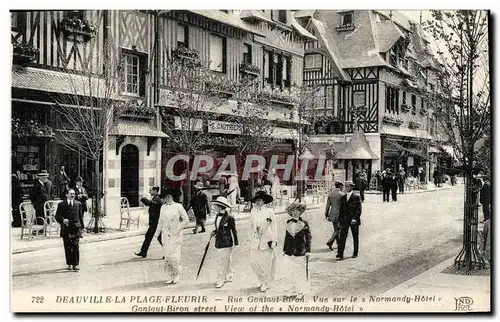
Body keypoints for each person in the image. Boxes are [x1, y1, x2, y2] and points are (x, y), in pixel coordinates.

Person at [153, 188, 189, 284]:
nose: (167, 198)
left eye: (169, 196)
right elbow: (160, 221)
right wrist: (157, 233)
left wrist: (178, 229)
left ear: (173, 197)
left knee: (174, 257)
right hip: (165, 235)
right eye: (165, 197)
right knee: (167, 257)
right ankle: (170, 275)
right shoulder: (163, 207)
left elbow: (186, 220)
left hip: (175, 235)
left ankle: (177, 274)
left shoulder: (178, 206)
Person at [249, 191, 278, 292]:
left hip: (267, 239)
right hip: (255, 240)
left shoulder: (269, 212)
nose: (258, 202)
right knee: (252, 262)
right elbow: (251, 226)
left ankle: (265, 282)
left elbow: (274, 226)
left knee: (266, 263)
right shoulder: (253, 211)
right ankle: (262, 279)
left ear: (264, 201)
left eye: (260, 200)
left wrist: (274, 240)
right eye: (256, 200)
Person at [282, 202, 311, 295]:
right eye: (293, 211)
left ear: (300, 211)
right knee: (290, 270)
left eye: (297, 211)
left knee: (300, 271)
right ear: (291, 212)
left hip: (300, 250)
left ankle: (301, 291)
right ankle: (292, 290)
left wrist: (308, 251)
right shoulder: (288, 222)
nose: (295, 213)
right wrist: (284, 250)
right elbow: (287, 237)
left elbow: (308, 237)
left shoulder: (304, 223)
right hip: (289, 251)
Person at [211, 196, 238, 288]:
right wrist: (214, 232)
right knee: (226, 259)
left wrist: (236, 243)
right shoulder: (217, 216)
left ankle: (220, 279)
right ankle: (229, 273)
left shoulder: (229, 218)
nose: (214, 208)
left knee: (221, 261)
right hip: (218, 242)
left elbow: (234, 230)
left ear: (220, 207)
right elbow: (218, 228)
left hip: (226, 243)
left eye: (216, 206)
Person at [55, 188, 85, 271]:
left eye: (73, 194)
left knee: (75, 246)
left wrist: (82, 227)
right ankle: (69, 264)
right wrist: (63, 220)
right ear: (66, 195)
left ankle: (75, 264)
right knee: (67, 246)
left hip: (76, 228)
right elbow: (57, 216)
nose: (72, 195)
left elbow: (80, 217)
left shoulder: (78, 204)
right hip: (66, 228)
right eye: (71, 193)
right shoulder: (61, 205)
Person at [135, 186, 164, 258]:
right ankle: (143, 252)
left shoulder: (157, 199)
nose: (149, 191)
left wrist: (144, 198)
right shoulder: (156, 198)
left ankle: (169, 253)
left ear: (155, 190)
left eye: (150, 190)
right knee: (149, 236)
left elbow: (150, 203)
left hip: (156, 223)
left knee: (159, 238)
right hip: (154, 222)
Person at [336, 181, 362, 260]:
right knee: (342, 237)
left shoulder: (356, 197)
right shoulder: (343, 197)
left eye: (347, 186)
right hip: (344, 220)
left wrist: (355, 219)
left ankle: (355, 253)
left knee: (355, 236)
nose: (346, 188)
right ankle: (340, 254)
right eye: (345, 186)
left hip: (353, 220)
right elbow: (341, 209)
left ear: (351, 187)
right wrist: (339, 220)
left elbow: (359, 209)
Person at [325, 181, 344, 250]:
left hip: (332, 214)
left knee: (336, 229)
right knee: (338, 230)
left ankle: (338, 243)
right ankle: (330, 241)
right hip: (339, 214)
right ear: (340, 186)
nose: (343, 188)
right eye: (342, 186)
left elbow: (328, 205)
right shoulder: (342, 195)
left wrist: (326, 213)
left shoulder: (331, 194)